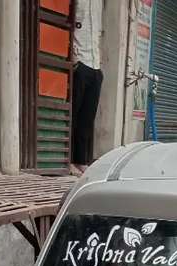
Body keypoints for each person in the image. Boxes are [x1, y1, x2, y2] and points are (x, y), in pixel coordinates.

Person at [72, 0, 104, 173]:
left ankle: (80, 160)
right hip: (80, 62)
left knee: (87, 118)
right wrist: (74, 60)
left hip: (95, 66)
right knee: (73, 114)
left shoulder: (99, 3)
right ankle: (68, 160)